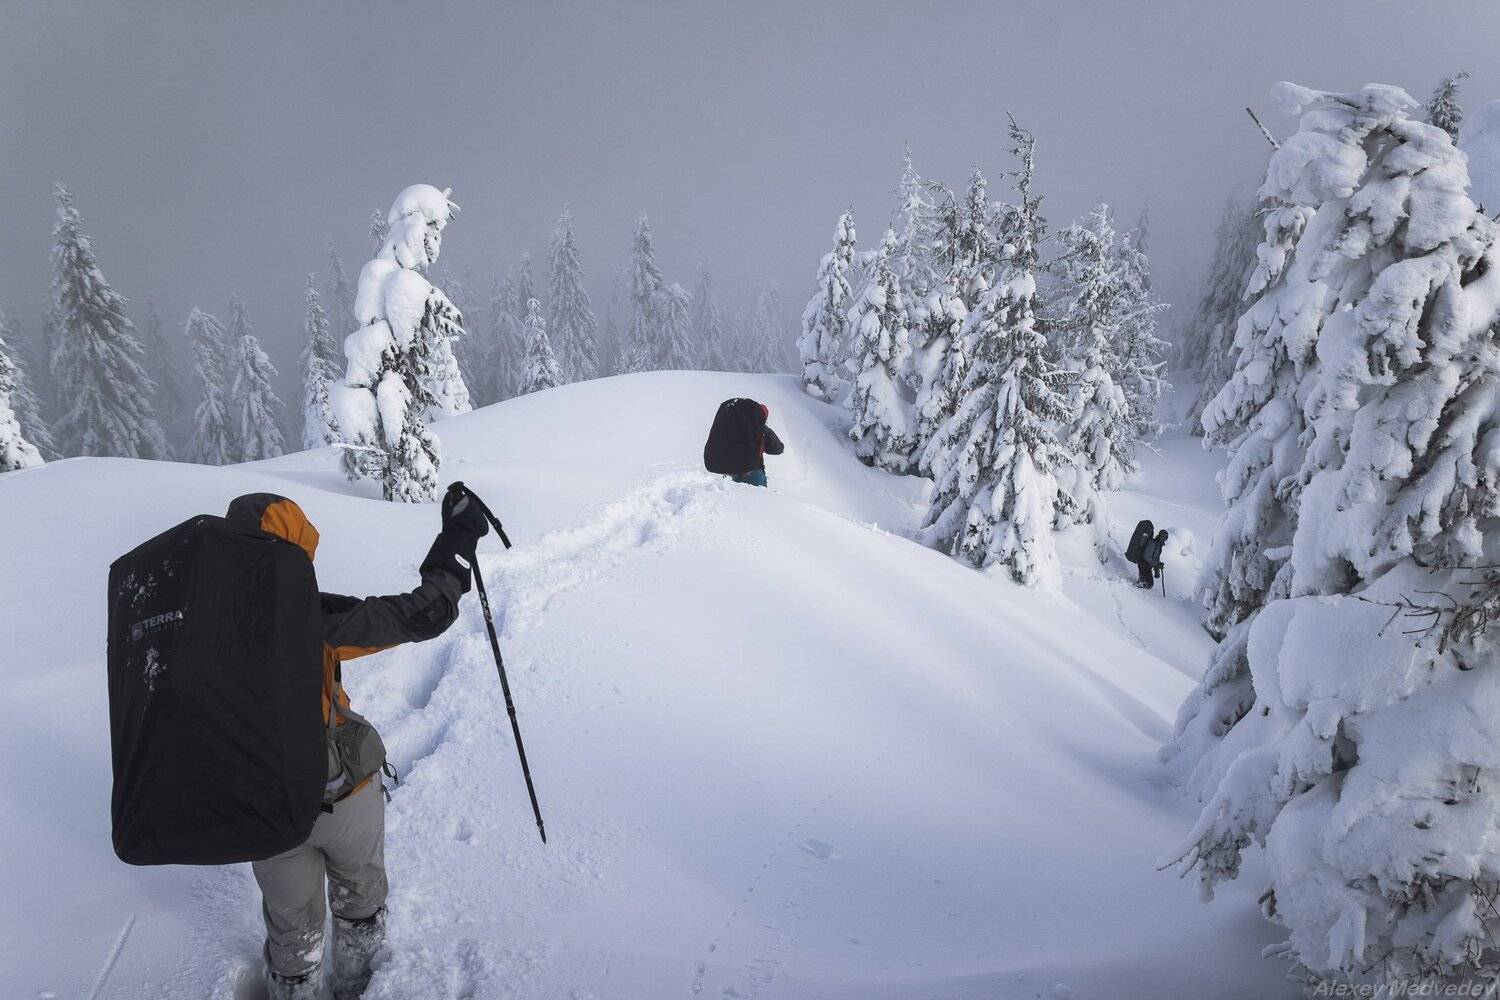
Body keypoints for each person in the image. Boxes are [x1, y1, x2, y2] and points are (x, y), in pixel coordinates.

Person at [223, 489, 489, 1000]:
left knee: (291, 930)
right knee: (360, 898)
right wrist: (458, 537)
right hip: (338, 796)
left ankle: (294, 990)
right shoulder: (312, 621)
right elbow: (425, 613)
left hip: (262, 814)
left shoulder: (196, 628)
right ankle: (356, 987)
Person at [703, 397, 784, 487]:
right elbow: (777, 449)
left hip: (730, 472)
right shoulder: (763, 430)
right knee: (758, 499)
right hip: (753, 472)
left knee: (732, 500)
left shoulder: (730, 428)